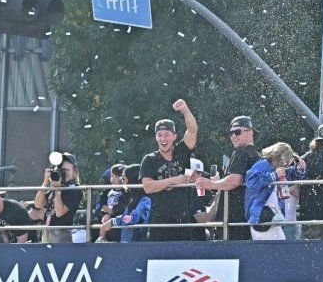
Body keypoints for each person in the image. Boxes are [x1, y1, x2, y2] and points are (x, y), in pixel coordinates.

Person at [140, 99, 199, 242]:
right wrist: (175, 180)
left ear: (174, 137)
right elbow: (148, 187)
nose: (163, 138)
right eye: (159, 135)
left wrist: (185, 110)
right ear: (156, 137)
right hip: (159, 222)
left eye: (167, 134)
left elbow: (192, 130)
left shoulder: (181, 151)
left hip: (183, 220)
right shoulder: (149, 159)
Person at [195, 115, 261, 240]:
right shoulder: (255, 154)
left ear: (250, 132)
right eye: (231, 133)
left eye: (237, 132)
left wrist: (211, 184)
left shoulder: (241, 153)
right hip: (245, 217)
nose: (233, 136)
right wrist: (219, 182)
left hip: (234, 220)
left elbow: (235, 180)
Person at [244, 142, 306, 241]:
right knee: (278, 249)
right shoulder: (263, 164)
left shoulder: (276, 168)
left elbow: (292, 177)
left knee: (276, 250)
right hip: (262, 216)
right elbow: (251, 182)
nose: (286, 165)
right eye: (286, 161)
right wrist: (273, 175)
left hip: (272, 217)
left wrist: (300, 169)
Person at [33, 152, 83, 243]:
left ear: (74, 173)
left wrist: (57, 189)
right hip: (47, 231)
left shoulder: (75, 190)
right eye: (61, 169)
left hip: (62, 233)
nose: (64, 173)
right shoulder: (54, 188)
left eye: (67, 170)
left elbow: (59, 212)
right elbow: (38, 204)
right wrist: (46, 181)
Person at [98, 164, 151, 243]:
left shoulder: (145, 200)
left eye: (124, 179)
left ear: (132, 180)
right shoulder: (130, 198)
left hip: (138, 245)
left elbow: (133, 218)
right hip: (127, 243)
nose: (122, 183)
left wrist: (113, 222)